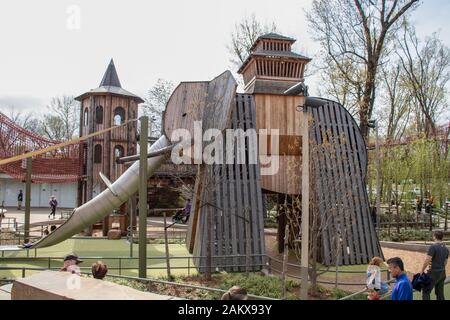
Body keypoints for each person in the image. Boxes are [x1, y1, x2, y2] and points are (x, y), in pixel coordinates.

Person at [420, 230, 449, 300]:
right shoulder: (446, 248)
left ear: (435, 236)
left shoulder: (433, 247)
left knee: (426, 291)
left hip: (433, 273)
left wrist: (422, 270)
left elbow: (428, 260)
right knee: (440, 293)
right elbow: (445, 262)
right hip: (442, 273)